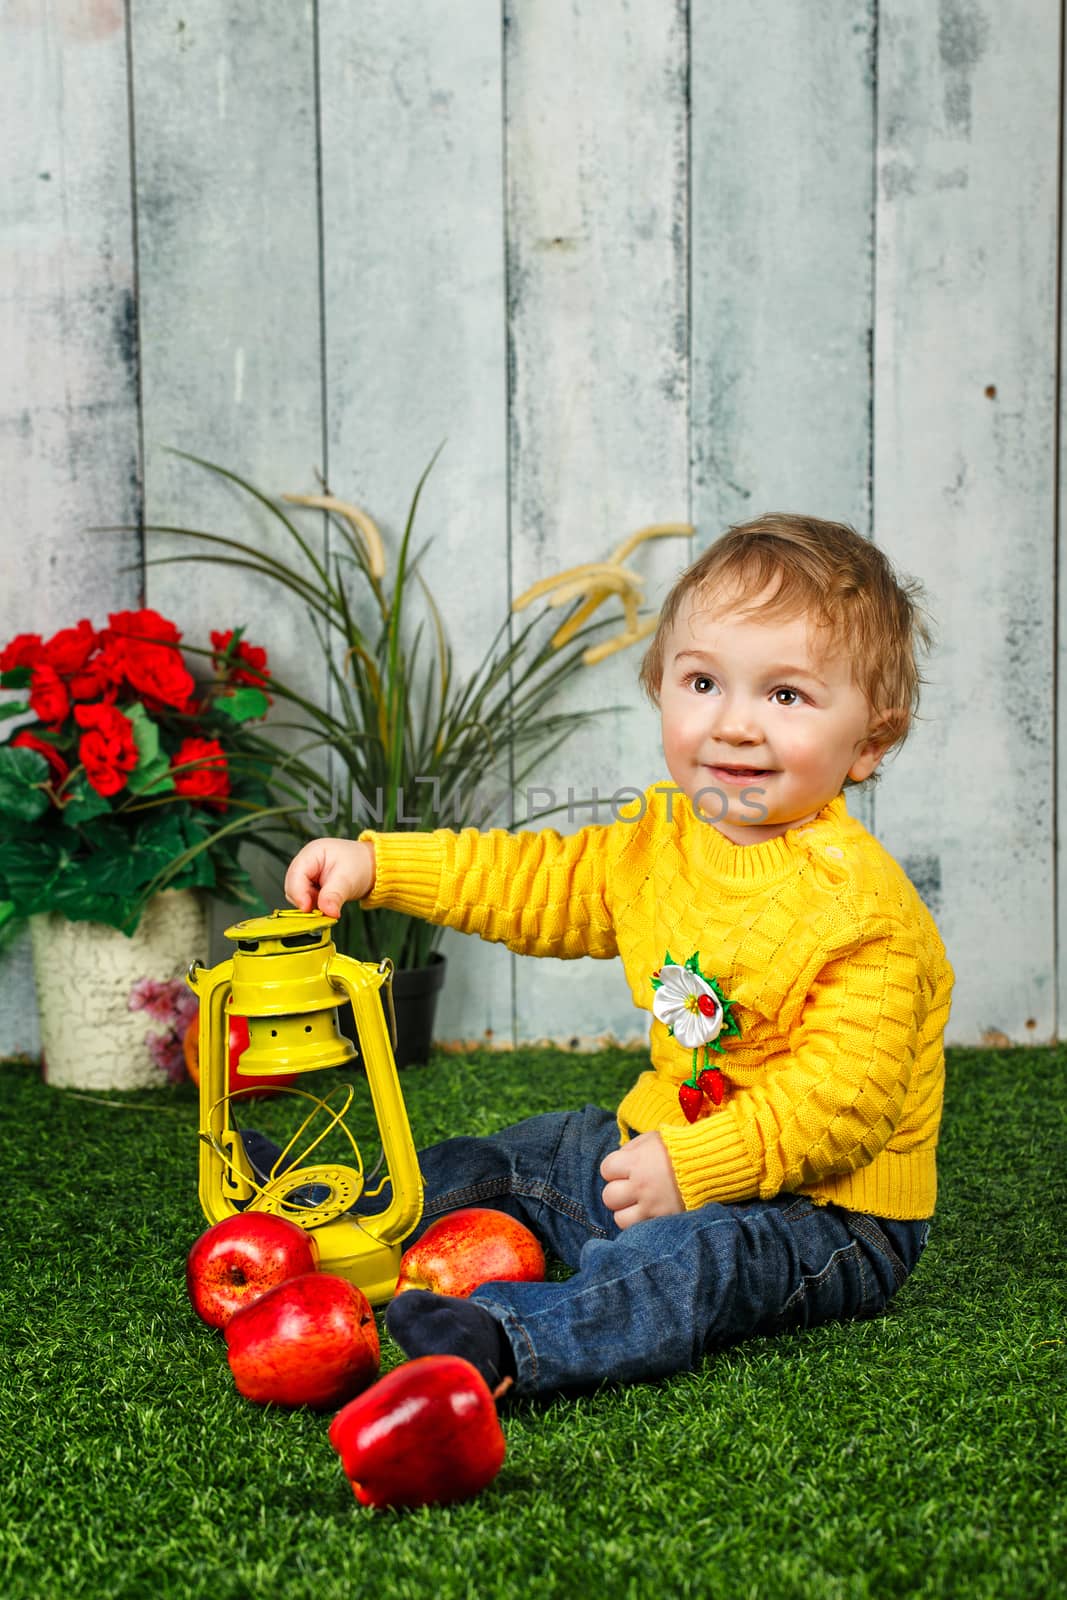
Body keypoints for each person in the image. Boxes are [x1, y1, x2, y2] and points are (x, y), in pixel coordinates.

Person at [276, 513, 954, 1399]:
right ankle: (317, 1232)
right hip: (660, 1154)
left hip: (824, 1216)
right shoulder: (661, 841)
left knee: (694, 1256)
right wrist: (380, 866)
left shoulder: (862, 913)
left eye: (785, 696)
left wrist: (694, 1170)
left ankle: (505, 1342)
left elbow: (840, 1106)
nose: (736, 726)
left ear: (869, 741)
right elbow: (531, 881)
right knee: (525, 1154)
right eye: (704, 682)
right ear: (660, 688)